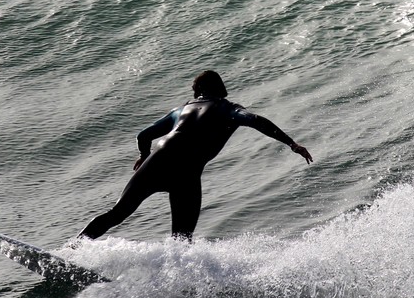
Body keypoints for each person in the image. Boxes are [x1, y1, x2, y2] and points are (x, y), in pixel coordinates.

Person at [79, 70, 312, 241]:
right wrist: (291, 143)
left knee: (116, 213)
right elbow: (256, 120)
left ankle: (72, 249)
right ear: (220, 88)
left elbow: (143, 135)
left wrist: (144, 156)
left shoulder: (181, 110)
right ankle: (176, 284)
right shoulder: (228, 109)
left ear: (198, 91)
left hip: (158, 162)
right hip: (187, 173)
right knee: (182, 238)